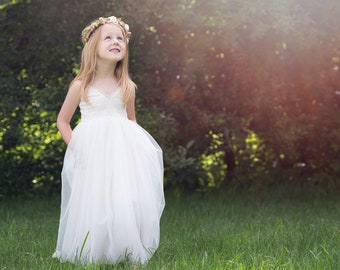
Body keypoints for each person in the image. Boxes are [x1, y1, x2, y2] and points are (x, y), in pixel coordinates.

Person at [52, 15, 165, 265]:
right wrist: (76, 149)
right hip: (92, 150)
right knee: (95, 198)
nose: (116, 42)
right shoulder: (81, 85)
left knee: (124, 197)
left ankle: (130, 249)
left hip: (123, 150)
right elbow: (63, 121)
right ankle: (96, 250)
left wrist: (139, 150)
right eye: (109, 37)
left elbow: (131, 120)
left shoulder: (127, 87)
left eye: (120, 38)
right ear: (93, 46)